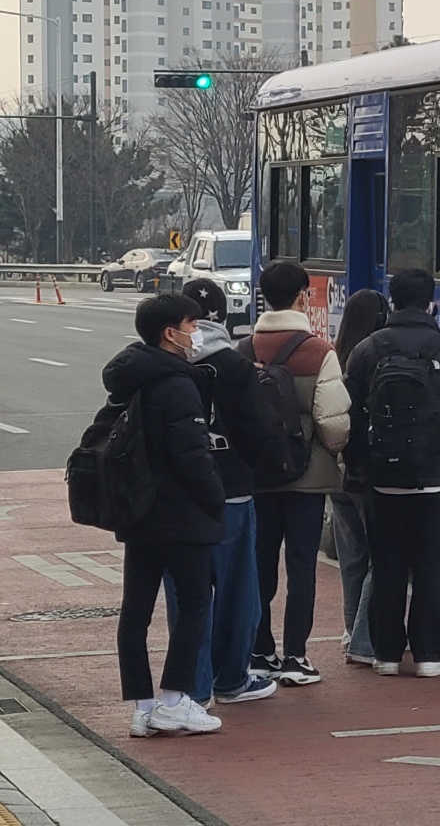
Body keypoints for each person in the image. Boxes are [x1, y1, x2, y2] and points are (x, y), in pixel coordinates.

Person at [343, 269, 440, 678]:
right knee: (433, 567)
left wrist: (359, 468)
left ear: (391, 302)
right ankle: (427, 655)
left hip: (381, 481)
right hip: (438, 481)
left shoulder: (367, 350)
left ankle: (386, 655)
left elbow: (348, 416)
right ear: (431, 304)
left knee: (386, 566)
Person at [104, 293, 225, 736]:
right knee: (195, 602)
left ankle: (142, 707)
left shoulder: (130, 378)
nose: (196, 333)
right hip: (180, 514)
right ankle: (175, 699)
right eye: (191, 325)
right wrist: (215, 500)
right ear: (170, 333)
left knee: (135, 609)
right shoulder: (177, 385)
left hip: (137, 510)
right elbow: (193, 457)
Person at [160, 280, 276, 708]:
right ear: (223, 316)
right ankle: (231, 678)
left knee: (185, 595)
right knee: (236, 591)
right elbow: (259, 430)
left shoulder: (161, 365)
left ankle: (193, 686)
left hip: (175, 498)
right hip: (231, 491)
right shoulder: (234, 364)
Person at [246, 260, 351, 687]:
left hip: (257, 477)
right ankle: (296, 656)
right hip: (307, 477)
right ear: (304, 296)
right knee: (302, 565)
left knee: (259, 565)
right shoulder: (319, 352)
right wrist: (331, 451)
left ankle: (259, 651)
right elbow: (335, 421)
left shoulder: (244, 349)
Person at [329, 288, 389, 666]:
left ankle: (352, 629)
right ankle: (364, 640)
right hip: (368, 472)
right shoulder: (374, 360)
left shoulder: (334, 358)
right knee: (380, 558)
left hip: (338, 471)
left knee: (351, 558)